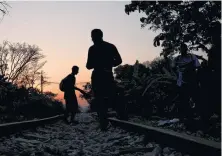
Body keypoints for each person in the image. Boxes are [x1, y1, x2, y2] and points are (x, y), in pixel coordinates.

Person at [86, 29, 122, 130]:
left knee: (99, 98)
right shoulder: (110, 46)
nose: (92, 38)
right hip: (107, 74)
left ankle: (103, 122)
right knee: (110, 95)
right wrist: (110, 64)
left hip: (97, 75)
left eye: (92, 36)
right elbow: (119, 60)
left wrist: (97, 63)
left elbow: (88, 65)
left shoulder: (92, 49)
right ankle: (112, 117)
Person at [171, 43, 201, 121]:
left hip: (192, 81)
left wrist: (190, 69)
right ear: (180, 50)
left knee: (195, 99)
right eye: (181, 48)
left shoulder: (192, 57)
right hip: (181, 82)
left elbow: (198, 66)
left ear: (186, 49)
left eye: (184, 48)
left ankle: (195, 115)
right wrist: (179, 72)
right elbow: (173, 67)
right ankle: (184, 117)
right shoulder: (177, 58)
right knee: (183, 100)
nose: (183, 50)